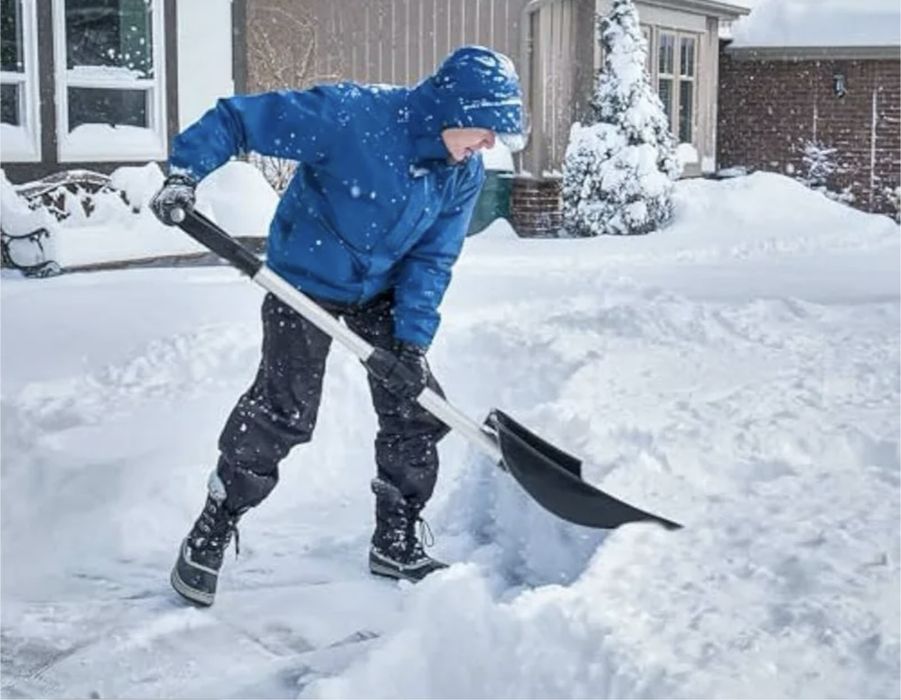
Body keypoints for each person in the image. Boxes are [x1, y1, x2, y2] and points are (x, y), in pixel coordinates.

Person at [150, 46, 525, 606]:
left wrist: (411, 342)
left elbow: (432, 259)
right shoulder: (353, 116)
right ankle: (214, 524)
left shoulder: (461, 173)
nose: (490, 144)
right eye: (486, 128)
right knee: (285, 409)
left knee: (416, 406)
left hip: (381, 290)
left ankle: (394, 540)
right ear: (454, 108)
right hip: (303, 279)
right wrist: (185, 173)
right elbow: (237, 119)